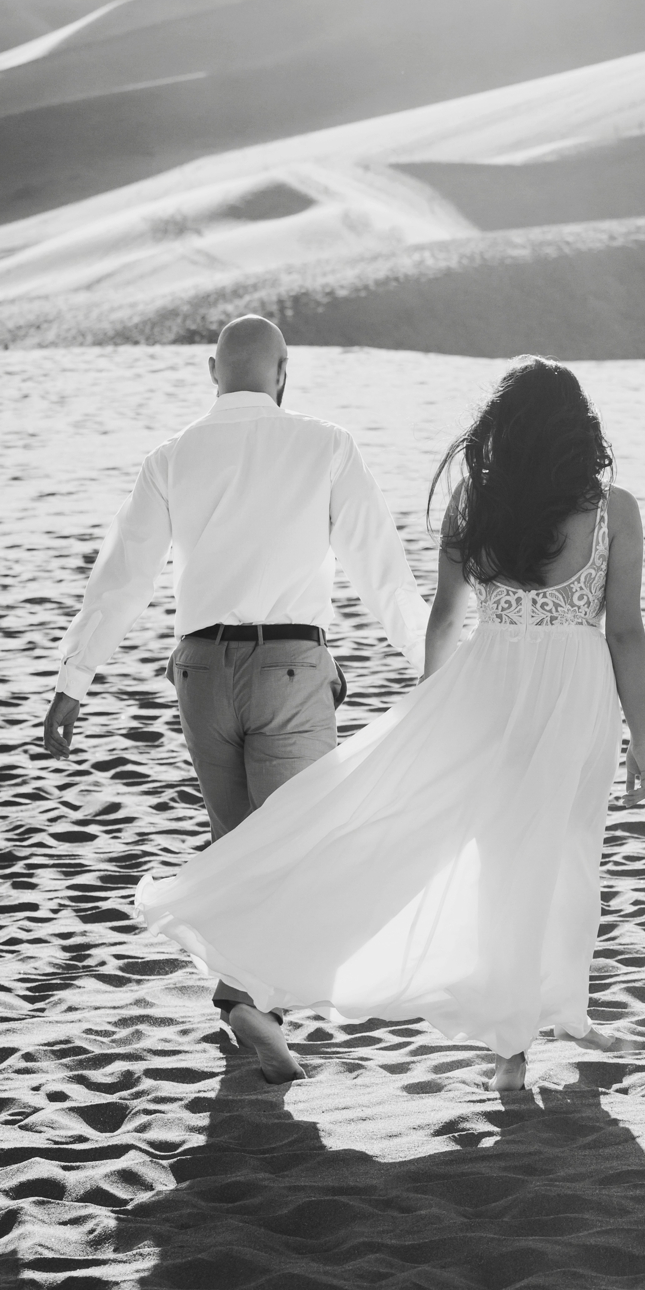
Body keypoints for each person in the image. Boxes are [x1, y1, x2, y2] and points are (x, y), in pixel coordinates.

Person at [133, 357, 645, 1092]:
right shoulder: (613, 509)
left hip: (488, 686)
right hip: (577, 694)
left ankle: (521, 1041)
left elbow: (444, 620)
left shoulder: (477, 501)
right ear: (579, 430)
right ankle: (542, 1017)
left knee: (503, 861)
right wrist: (644, 734)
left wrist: (433, 709)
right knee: (566, 853)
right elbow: (624, 632)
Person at [44, 314, 428, 1082]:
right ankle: (260, 1007)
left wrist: (72, 681)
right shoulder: (326, 445)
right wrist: (434, 661)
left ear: (211, 372)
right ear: (284, 372)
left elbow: (123, 577)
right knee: (295, 847)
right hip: (290, 667)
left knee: (238, 841)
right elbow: (380, 571)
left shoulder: (172, 457)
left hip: (202, 675)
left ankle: (238, 1000)